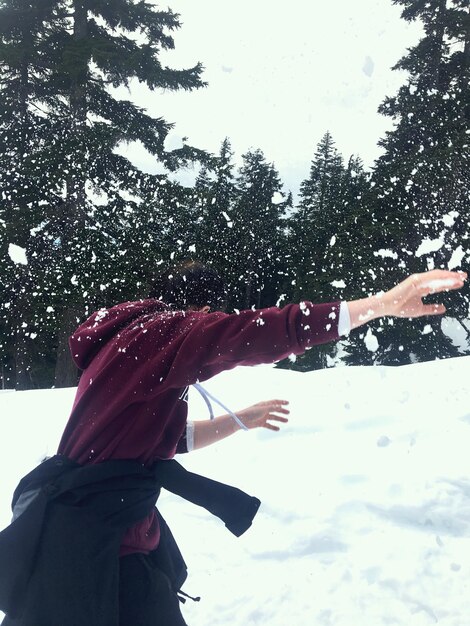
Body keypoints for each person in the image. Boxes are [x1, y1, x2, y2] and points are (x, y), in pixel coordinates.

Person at [0, 261, 466, 626]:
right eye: (207, 319)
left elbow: (166, 442)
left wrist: (238, 420)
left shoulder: (134, 349)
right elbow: (250, 334)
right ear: (195, 313)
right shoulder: (158, 334)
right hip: (92, 549)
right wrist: (377, 305)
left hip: (97, 536)